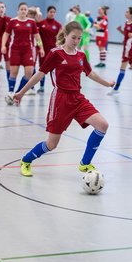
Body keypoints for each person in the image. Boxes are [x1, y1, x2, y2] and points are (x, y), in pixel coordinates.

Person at [13, 21, 115, 177]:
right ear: (65, 35)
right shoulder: (56, 54)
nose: (76, 41)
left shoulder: (81, 55)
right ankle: (26, 160)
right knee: (51, 144)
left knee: (102, 125)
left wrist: (106, 83)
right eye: (73, 37)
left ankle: (85, 164)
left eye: (79, 38)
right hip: (60, 100)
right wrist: (21, 92)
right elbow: (39, 74)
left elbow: (90, 73)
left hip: (78, 98)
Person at [1, 2, 44, 104]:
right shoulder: (12, 21)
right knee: (13, 73)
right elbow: (6, 34)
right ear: (18, 10)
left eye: (25, 9)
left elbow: (37, 37)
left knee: (29, 72)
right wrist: (3, 46)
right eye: (22, 9)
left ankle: (18, 93)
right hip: (15, 50)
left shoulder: (32, 22)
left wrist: (41, 48)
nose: (24, 11)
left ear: (27, 11)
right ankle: (10, 91)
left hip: (28, 50)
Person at [36, 5, 62, 93]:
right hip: (43, 51)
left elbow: (60, 38)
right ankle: (41, 86)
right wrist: (40, 47)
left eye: (54, 12)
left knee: (54, 70)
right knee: (42, 68)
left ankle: (57, 86)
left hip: (53, 52)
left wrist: (59, 45)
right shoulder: (41, 24)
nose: (52, 14)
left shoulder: (58, 25)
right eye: (51, 12)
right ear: (47, 12)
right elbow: (37, 38)